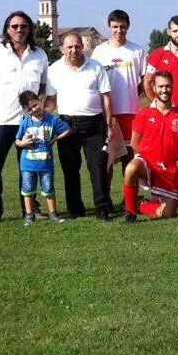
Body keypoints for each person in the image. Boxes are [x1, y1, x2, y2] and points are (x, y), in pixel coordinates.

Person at [0, 11, 50, 225]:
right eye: (15, 26)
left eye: (23, 26)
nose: (19, 30)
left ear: (29, 29)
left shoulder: (40, 55)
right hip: (0, 121)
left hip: (28, 123)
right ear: (7, 29)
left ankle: (31, 210)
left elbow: (42, 86)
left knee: (29, 168)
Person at [45, 32, 115, 221]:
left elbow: (105, 97)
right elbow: (51, 100)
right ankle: (75, 209)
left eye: (77, 46)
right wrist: (43, 118)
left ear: (82, 47)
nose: (74, 50)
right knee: (70, 169)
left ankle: (103, 208)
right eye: (69, 47)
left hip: (94, 124)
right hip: (65, 125)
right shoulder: (54, 69)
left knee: (98, 167)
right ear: (62, 49)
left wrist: (109, 123)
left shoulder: (95, 66)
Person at [121, 71, 178, 222]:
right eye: (160, 86)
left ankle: (141, 204)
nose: (164, 90)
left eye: (168, 86)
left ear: (173, 87)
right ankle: (130, 212)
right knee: (131, 168)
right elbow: (135, 143)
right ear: (154, 88)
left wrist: (168, 158)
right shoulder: (144, 113)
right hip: (147, 163)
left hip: (168, 167)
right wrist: (148, 158)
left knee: (168, 212)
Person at [91, 9, 146, 184]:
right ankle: (106, 199)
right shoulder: (99, 52)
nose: (118, 30)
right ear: (109, 27)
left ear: (128, 27)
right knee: (107, 158)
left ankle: (128, 199)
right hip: (107, 114)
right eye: (115, 27)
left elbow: (145, 81)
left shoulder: (137, 51)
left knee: (129, 158)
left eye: (122, 26)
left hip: (130, 112)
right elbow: (94, 81)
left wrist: (132, 94)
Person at [14, 91, 71, 226]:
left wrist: (56, 138)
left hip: (46, 163)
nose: (35, 109)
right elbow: (17, 140)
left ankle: (53, 213)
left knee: (49, 189)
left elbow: (67, 130)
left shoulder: (52, 120)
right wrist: (22, 143)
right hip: (27, 164)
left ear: (40, 100)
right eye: (30, 108)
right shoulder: (25, 123)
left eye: (35, 104)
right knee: (27, 190)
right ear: (27, 111)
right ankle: (29, 215)